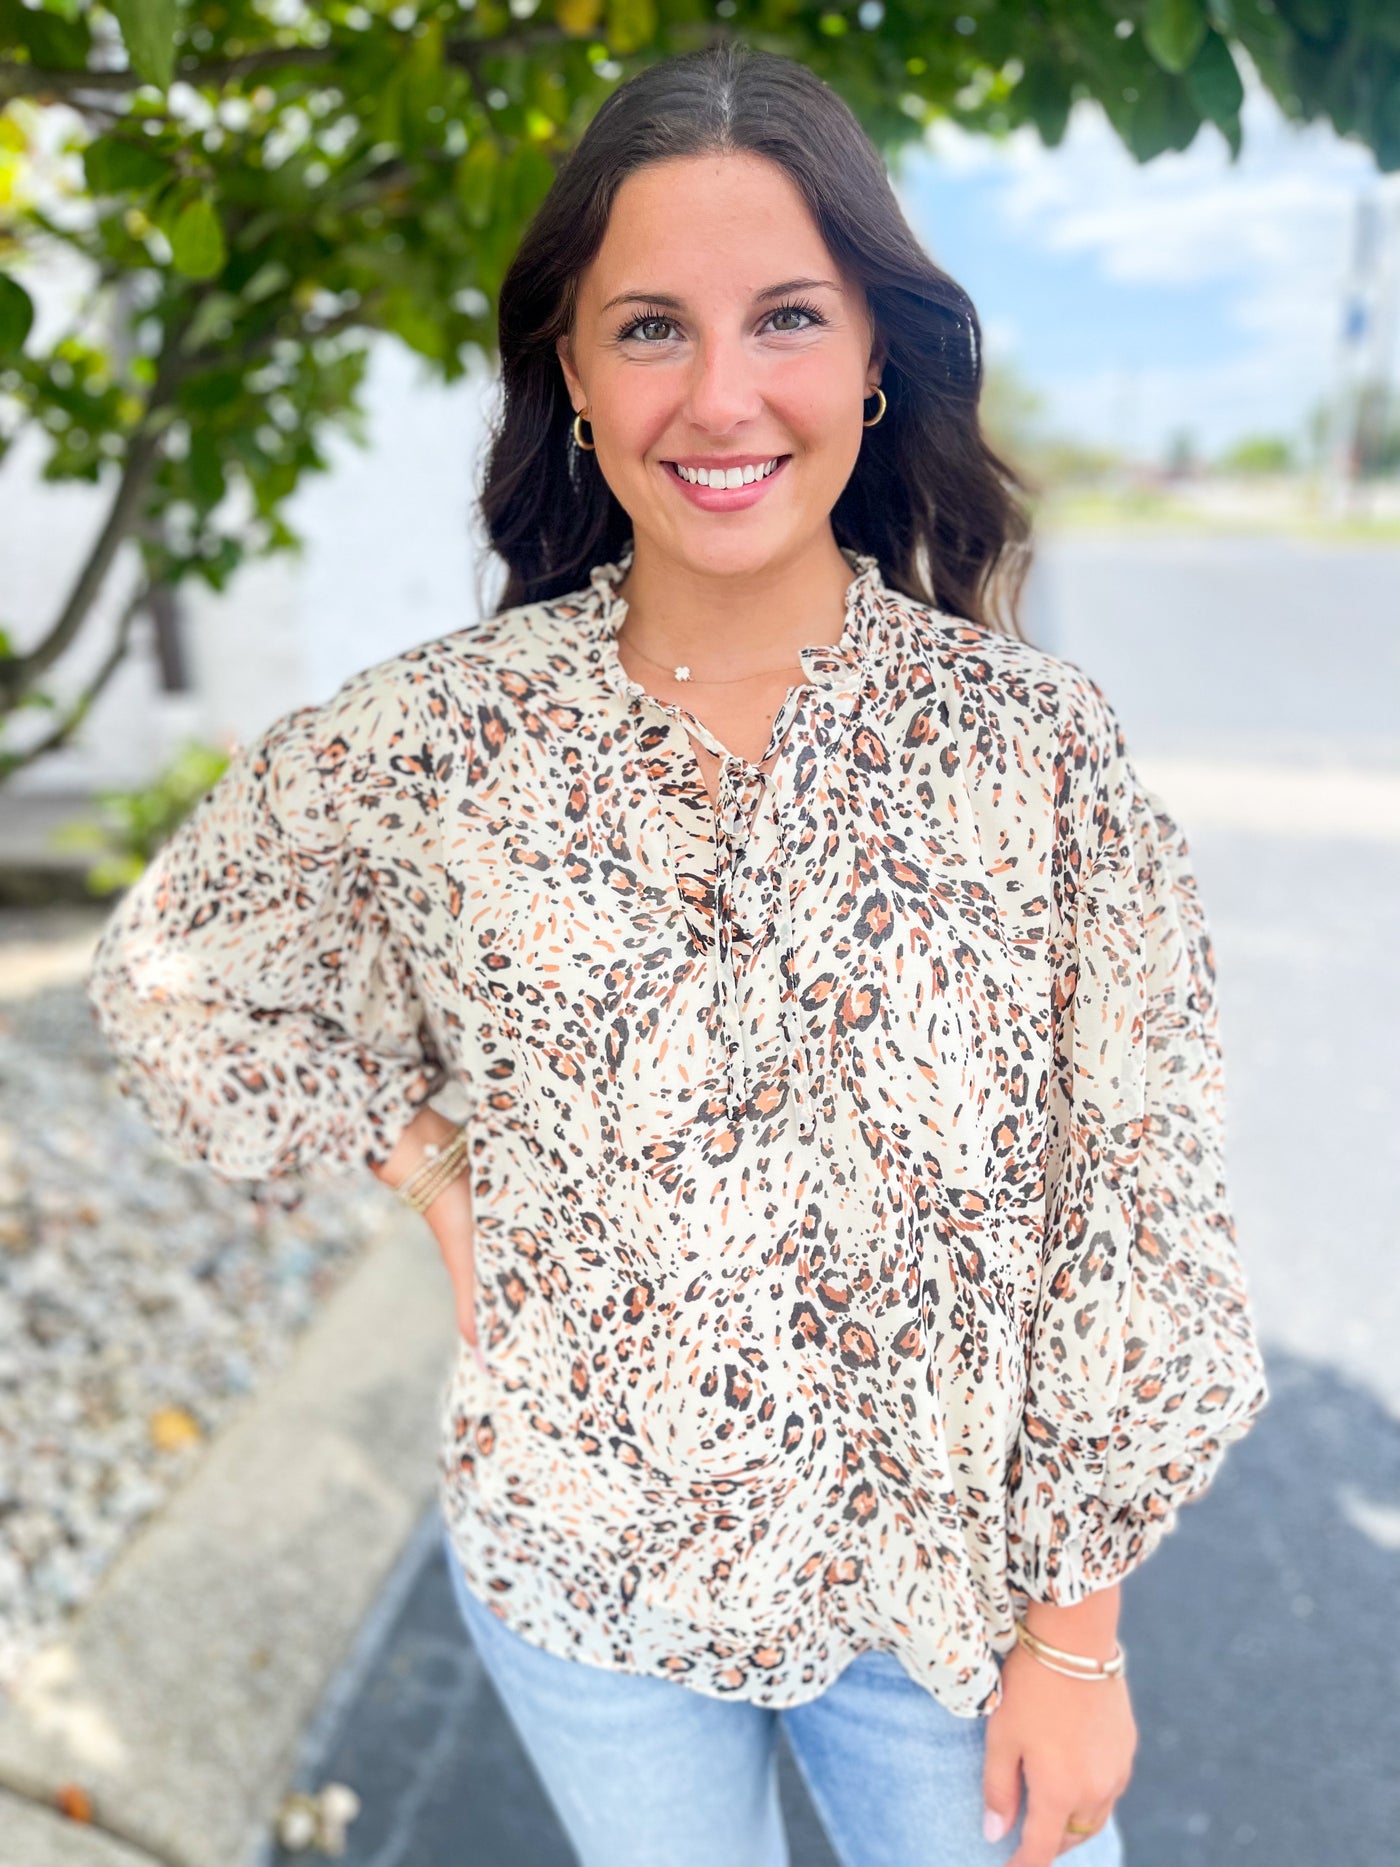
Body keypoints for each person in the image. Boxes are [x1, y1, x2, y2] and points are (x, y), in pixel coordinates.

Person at [84, 39, 1271, 1867]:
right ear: (571, 368)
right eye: (651, 328)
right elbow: (172, 966)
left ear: (879, 357)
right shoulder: (434, 743)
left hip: (939, 1621)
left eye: (786, 316)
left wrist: (1076, 1633)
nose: (721, 396)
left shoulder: (1033, 758)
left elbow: (1137, 1196)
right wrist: (432, 1162)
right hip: (583, 1583)